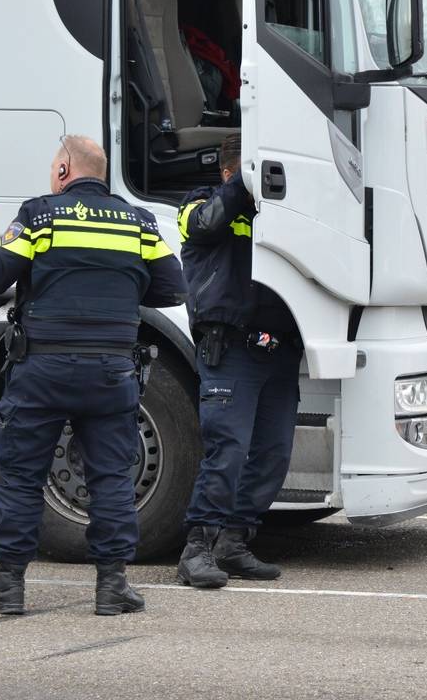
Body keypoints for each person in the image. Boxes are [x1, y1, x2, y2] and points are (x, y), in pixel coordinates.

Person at [0, 135, 186, 616]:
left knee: (22, 477)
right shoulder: (137, 221)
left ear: (64, 169)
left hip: (41, 369)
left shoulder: (40, 215)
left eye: (52, 167)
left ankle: (8, 587)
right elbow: (173, 288)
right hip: (111, 371)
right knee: (111, 478)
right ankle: (112, 587)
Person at [175, 133, 302, 589]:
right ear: (232, 171)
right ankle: (197, 549)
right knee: (227, 450)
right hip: (229, 348)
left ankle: (234, 541)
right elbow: (204, 225)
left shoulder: (278, 211)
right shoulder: (201, 204)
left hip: (279, 350)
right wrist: (241, 186)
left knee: (272, 454)